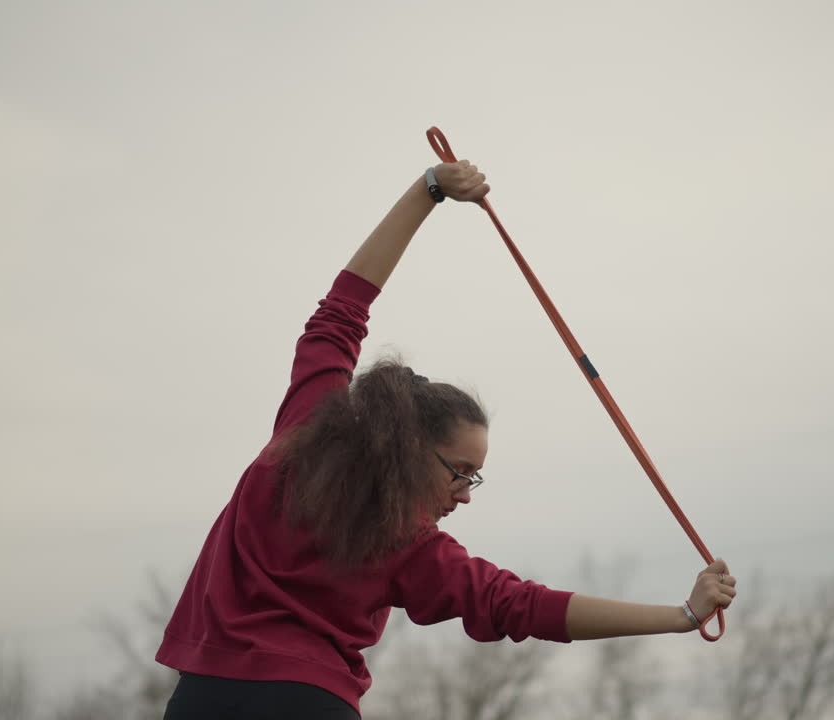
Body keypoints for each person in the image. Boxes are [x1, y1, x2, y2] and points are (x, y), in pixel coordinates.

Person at [156, 159, 737, 719]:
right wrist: (682, 615)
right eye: (460, 472)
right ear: (410, 449)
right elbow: (522, 607)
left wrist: (428, 188)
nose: (464, 494)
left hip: (203, 698)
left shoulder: (304, 431)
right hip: (310, 703)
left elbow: (341, 310)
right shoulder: (407, 543)